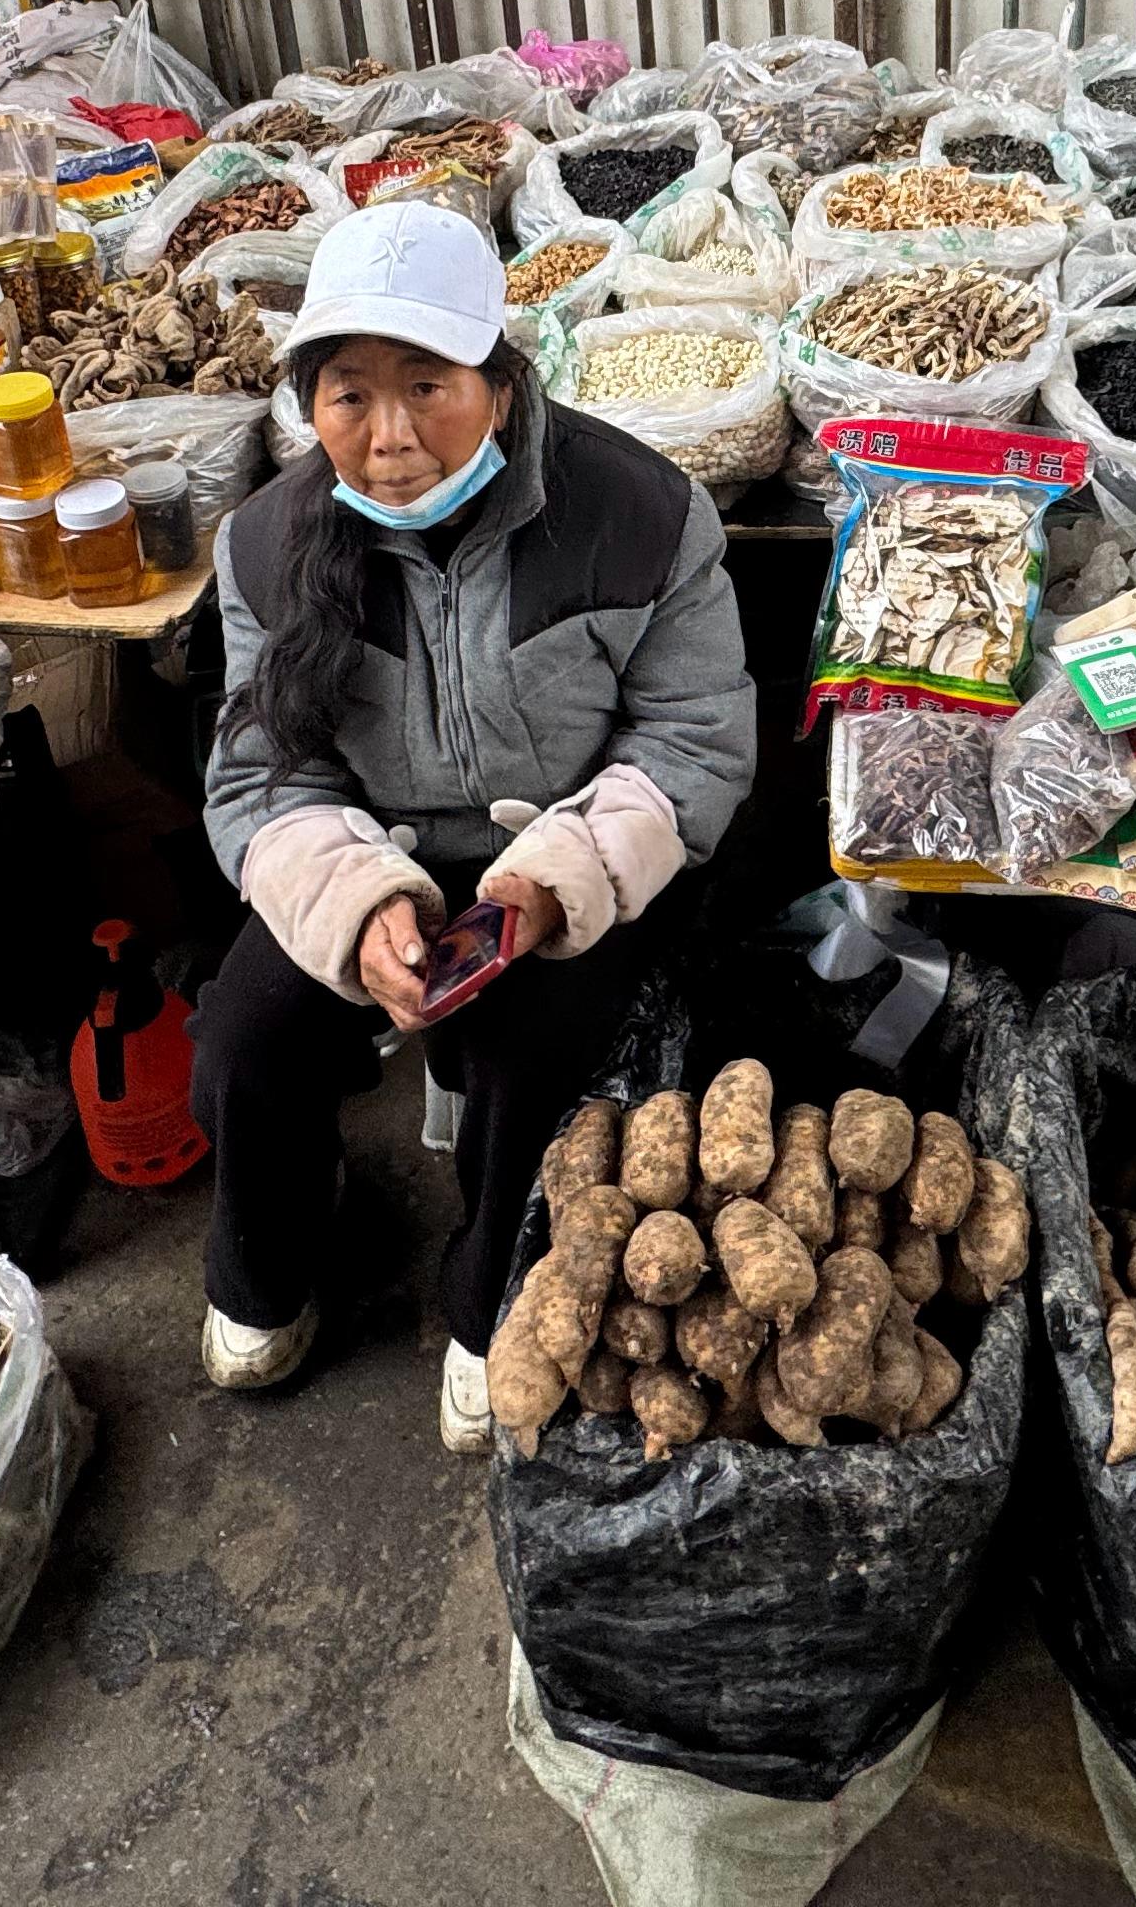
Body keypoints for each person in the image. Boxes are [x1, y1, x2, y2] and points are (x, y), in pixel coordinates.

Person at [192, 200, 754, 1448]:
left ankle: (486, 1297)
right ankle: (263, 1272)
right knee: (242, 1036)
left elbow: (693, 739)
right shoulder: (266, 544)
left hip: (566, 857)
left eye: (427, 385)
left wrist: (554, 882)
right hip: (367, 847)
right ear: (308, 405)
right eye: (348, 396)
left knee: (532, 1055)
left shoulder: (640, 514)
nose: (389, 437)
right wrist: (357, 903)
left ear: (499, 384)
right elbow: (257, 777)